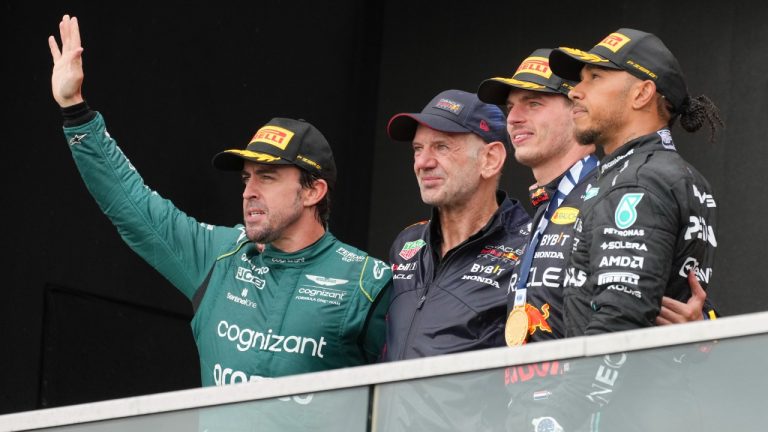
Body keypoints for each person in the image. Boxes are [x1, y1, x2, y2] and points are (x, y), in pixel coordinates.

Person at [48, 15, 391, 391]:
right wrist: (75, 110)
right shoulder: (220, 255)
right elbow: (133, 206)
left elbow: (406, 397)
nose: (248, 191)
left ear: (313, 191)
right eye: (246, 178)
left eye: (267, 177)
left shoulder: (366, 282)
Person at [478, 46, 720, 432]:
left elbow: (630, 305)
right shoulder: (549, 206)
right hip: (540, 411)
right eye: (510, 107)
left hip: (589, 414)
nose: (514, 118)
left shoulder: (624, 185)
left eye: (534, 103)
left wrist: (705, 331)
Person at [373, 89, 530, 432]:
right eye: (418, 149)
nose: (423, 162)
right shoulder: (408, 243)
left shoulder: (530, 249)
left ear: (490, 159)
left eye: (441, 147)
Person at [549, 28, 722, 337]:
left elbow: (620, 319)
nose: (575, 91)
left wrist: (578, 375)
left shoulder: (637, 180)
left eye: (595, 77)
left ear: (641, 94)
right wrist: (708, 331)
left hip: (619, 369)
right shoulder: (669, 173)